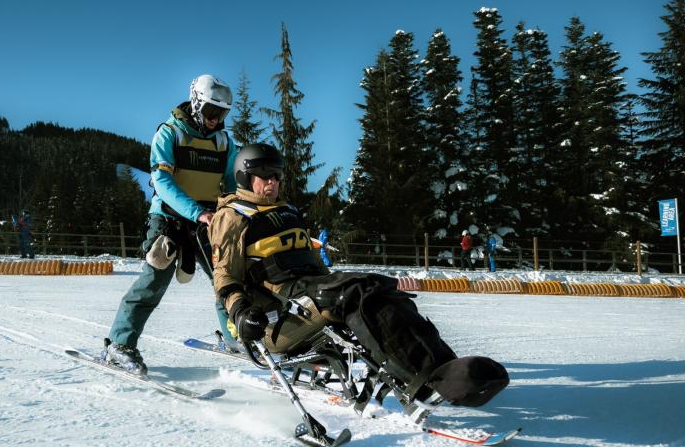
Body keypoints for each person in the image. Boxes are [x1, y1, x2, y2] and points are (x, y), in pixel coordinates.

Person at [209, 143, 508, 410]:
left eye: (276, 174)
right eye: (265, 175)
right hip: (276, 318)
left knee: (377, 288)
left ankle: (447, 370)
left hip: (308, 294)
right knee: (353, 294)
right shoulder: (233, 216)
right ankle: (424, 382)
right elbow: (224, 275)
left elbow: (314, 264)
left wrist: (333, 280)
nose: (273, 181)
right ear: (245, 178)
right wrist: (240, 311)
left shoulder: (288, 212)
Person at [104, 74, 239, 375]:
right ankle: (120, 344)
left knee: (226, 277)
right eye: (211, 113)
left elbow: (230, 184)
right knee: (153, 281)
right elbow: (161, 182)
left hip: (208, 218)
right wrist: (196, 212)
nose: (217, 120)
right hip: (169, 217)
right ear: (196, 104)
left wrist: (231, 212)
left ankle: (235, 336)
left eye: (223, 114)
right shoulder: (170, 133)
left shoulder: (223, 142)